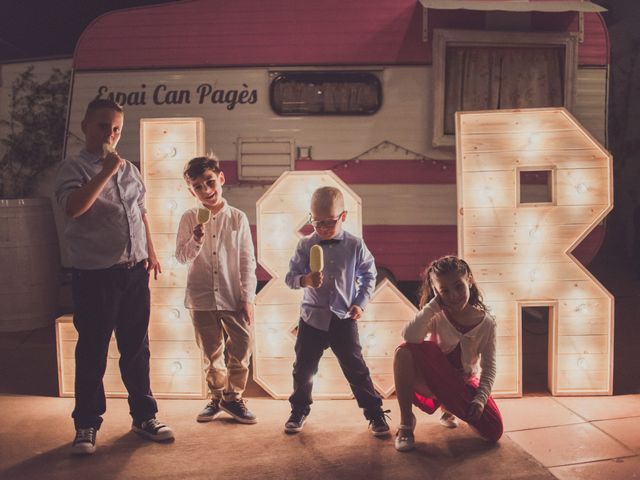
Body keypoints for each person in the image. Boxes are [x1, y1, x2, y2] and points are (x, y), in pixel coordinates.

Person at [54, 98, 173, 455]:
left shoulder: (130, 169)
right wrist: (106, 170)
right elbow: (74, 209)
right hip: (96, 275)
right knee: (92, 349)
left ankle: (144, 416)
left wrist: (150, 250)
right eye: (104, 126)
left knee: (137, 347)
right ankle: (87, 424)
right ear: (86, 125)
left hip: (134, 271)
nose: (111, 134)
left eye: (117, 128)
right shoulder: (73, 168)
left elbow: (140, 211)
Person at [283, 186, 390, 435]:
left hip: (343, 317)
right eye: (316, 222)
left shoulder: (355, 245)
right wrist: (305, 280)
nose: (321, 228)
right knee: (303, 368)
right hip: (312, 318)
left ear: (343, 216)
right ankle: (299, 409)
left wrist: (360, 303)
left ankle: (374, 413)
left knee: (356, 368)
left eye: (328, 222)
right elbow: (290, 278)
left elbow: (369, 275)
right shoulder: (305, 245)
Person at [175, 156, 258, 424]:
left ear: (221, 179)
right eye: (198, 187)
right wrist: (196, 239)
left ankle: (233, 397)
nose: (206, 190)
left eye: (210, 182)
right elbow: (181, 257)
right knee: (211, 353)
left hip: (233, 295)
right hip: (201, 298)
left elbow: (247, 260)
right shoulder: (189, 218)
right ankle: (216, 397)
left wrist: (248, 297)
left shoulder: (237, 218)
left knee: (243, 345)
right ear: (191, 191)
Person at [393, 255, 503, 451]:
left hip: (462, 384)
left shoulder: (487, 323)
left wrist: (480, 400)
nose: (453, 295)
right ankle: (406, 423)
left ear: (469, 279)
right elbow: (409, 336)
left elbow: (490, 367)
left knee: (493, 431)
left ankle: (449, 407)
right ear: (436, 291)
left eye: (458, 286)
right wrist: (433, 306)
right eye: (444, 290)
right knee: (404, 352)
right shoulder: (436, 315)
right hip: (432, 381)